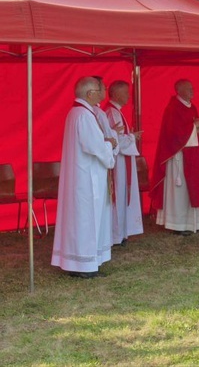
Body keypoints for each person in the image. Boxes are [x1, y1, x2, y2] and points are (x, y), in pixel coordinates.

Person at [51, 76, 117, 278]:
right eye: (100, 90)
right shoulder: (83, 115)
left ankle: (79, 262)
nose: (102, 93)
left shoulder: (77, 113)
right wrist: (110, 144)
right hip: (87, 178)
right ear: (90, 94)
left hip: (82, 175)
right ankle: (84, 265)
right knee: (86, 220)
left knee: (81, 220)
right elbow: (94, 146)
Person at [150, 79, 199, 235]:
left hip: (192, 155)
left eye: (192, 88)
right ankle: (177, 224)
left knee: (191, 188)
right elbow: (173, 134)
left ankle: (191, 223)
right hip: (178, 155)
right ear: (179, 90)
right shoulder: (173, 108)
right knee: (180, 191)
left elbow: (193, 129)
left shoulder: (192, 107)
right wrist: (194, 126)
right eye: (189, 89)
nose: (193, 91)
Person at [104, 80, 144, 246]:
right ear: (115, 94)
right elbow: (117, 140)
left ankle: (121, 233)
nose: (128, 96)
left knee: (122, 197)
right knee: (118, 197)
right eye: (126, 93)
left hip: (123, 163)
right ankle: (116, 235)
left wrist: (131, 136)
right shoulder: (112, 113)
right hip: (119, 164)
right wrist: (133, 137)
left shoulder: (116, 112)